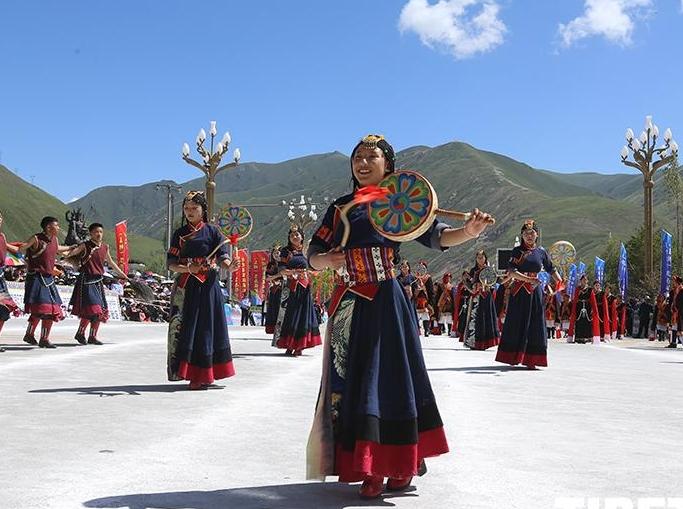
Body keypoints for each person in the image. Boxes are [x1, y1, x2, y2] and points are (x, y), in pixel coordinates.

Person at [305, 134, 493, 499]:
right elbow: (314, 250)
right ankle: (365, 466)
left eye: (371, 157)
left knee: (389, 380)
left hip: (388, 302)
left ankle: (397, 466)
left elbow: (437, 237)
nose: (362, 163)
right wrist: (324, 261)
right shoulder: (341, 207)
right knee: (353, 380)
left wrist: (469, 232)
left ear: (387, 165)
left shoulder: (399, 202)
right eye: (357, 157)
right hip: (350, 303)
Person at [166, 191, 239, 390]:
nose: (190, 212)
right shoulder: (179, 234)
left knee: (207, 327)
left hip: (209, 287)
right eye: (186, 208)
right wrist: (190, 268)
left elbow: (222, 258)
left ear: (203, 210)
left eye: (194, 208)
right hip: (187, 287)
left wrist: (230, 266)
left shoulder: (213, 232)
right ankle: (192, 374)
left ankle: (205, 374)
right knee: (189, 328)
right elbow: (171, 264)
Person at [495, 219, 560, 368]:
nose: (529, 236)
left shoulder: (542, 252)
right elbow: (511, 272)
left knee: (535, 324)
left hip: (535, 292)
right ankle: (512, 356)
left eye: (532, 233)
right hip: (519, 292)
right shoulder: (518, 251)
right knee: (516, 322)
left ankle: (532, 359)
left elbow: (551, 269)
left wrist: (560, 281)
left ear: (537, 234)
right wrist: (528, 279)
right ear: (522, 235)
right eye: (525, 234)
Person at [67, 223, 128, 345]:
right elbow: (72, 254)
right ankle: (80, 333)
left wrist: (123, 275)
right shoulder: (85, 246)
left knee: (99, 311)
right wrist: (66, 255)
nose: (99, 234)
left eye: (100, 231)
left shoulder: (105, 247)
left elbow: (111, 263)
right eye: (96, 232)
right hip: (86, 281)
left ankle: (92, 336)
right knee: (91, 309)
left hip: (98, 282)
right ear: (90, 233)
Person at [19, 216, 73, 348]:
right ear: (49, 227)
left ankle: (41, 338)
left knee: (50, 309)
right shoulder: (36, 239)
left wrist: (73, 247)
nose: (59, 228)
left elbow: (58, 249)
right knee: (42, 309)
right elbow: (21, 249)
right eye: (57, 225)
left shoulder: (54, 239)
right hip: (36, 278)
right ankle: (32, 335)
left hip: (49, 279)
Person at [274, 226, 321, 356]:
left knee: (303, 316)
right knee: (291, 315)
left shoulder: (306, 251)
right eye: (292, 235)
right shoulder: (286, 251)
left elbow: (314, 266)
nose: (294, 237)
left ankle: (300, 346)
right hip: (291, 287)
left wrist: (312, 272)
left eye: (297, 234)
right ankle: (289, 344)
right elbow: (282, 270)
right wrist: (295, 272)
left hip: (305, 287)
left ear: (302, 236)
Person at [462, 250, 499, 350]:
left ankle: (485, 343)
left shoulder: (489, 269)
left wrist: (488, 286)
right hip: (475, 297)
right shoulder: (473, 270)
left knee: (485, 318)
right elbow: (468, 283)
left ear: (485, 258)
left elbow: (494, 282)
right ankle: (473, 342)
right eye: (478, 258)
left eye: (482, 257)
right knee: (474, 319)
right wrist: (470, 285)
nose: (480, 259)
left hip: (486, 297)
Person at [0, 211, 21, 351]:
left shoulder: (2, 237)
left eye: (0, 217)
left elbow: (15, 249)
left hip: (0, 280)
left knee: (4, 310)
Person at [568, 275, 600, 344]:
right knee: (579, 322)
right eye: (583, 280)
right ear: (581, 281)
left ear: (587, 281)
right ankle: (579, 337)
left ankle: (588, 337)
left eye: (585, 280)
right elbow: (575, 300)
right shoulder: (577, 289)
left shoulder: (590, 289)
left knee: (587, 322)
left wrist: (594, 310)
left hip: (587, 307)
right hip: (579, 307)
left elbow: (593, 300)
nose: (584, 281)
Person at [264, 246, 283, 334]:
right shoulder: (270, 265)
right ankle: (274, 329)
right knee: (274, 309)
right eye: (274, 253)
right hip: (274, 290)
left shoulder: (285, 264)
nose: (276, 254)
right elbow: (267, 277)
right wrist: (274, 281)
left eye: (278, 252)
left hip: (284, 289)